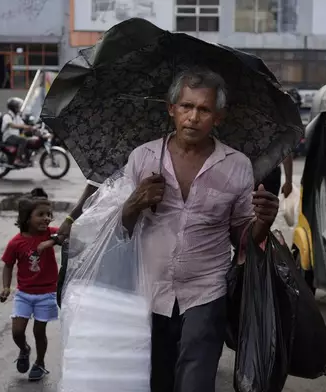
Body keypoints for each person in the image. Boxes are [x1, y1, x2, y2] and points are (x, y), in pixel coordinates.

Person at [56, 68, 280, 391]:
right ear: (170, 109)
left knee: (194, 382)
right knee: (155, 381)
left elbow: (241, 238)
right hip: (148, 293)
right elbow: (120, 235)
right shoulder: (142, 158)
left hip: (207, 292)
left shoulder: (237, 166)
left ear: (218, 117)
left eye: (203, 110)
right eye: (186, 107)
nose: (193, 117)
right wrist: (133, 204)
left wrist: (262, 223)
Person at [0, 188, 61, 381]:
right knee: (17, 331)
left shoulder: (50, 234)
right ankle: (24, 349)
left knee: (39, 331)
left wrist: (50, 243)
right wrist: (6, 287)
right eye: (41, 215)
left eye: (49, 214)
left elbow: (68, 234)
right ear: (26, 218)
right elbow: (8, 265)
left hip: (47, 293)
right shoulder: (16, 243)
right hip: (24, 294)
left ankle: (40, 363)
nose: (47, 219)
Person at [2, 97, 34, 167]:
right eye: (17, 107)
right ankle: (17, 159)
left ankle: (26, 159)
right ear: (13, 108)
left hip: (15, 136)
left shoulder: (17, 116)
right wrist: (24, 127)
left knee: (29, 140)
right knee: (23, 140)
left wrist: (33, 127)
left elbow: (23, 125)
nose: (19, 108)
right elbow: (12, 125)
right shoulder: (7, 116)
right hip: (8, 137)